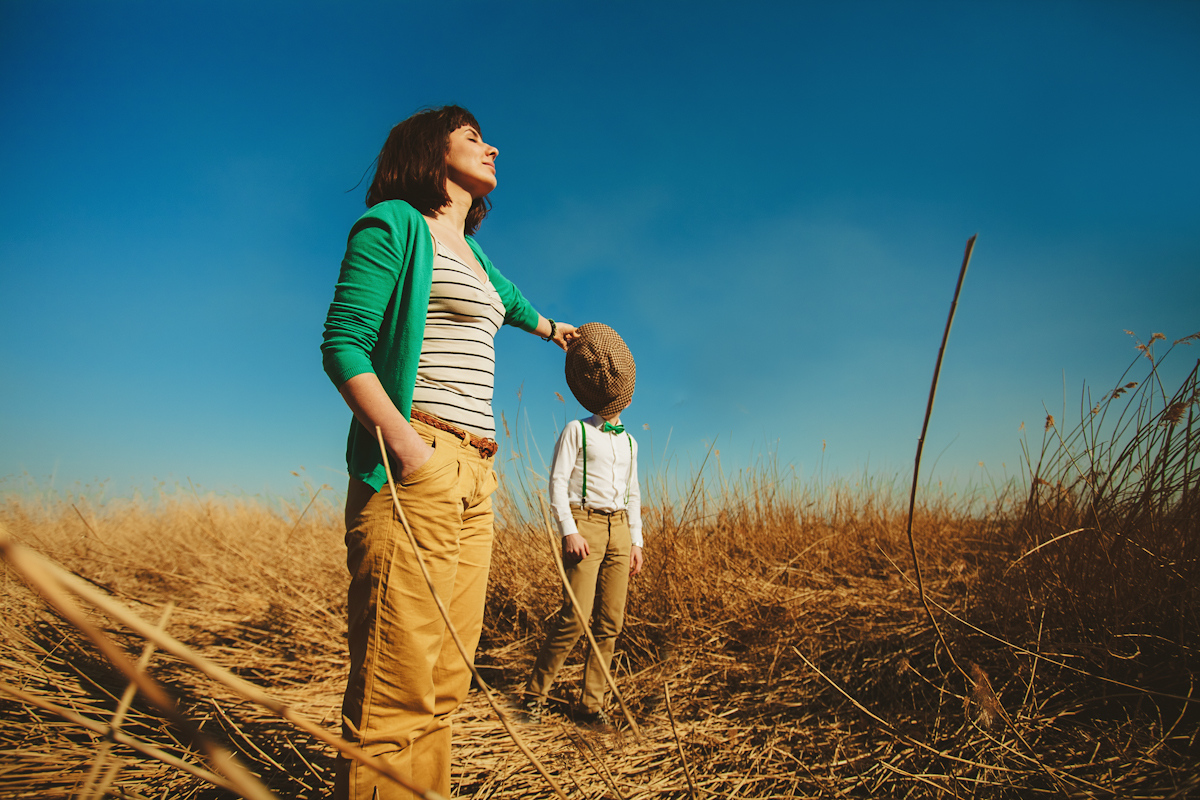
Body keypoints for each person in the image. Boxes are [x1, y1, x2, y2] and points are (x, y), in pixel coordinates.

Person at [321, 105, 575, 800]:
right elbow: (344, 343)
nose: (493, 146)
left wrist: (555, 330)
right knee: (395, 688)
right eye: (472, 138)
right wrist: (406, 446)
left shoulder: (471, 251)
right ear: (431, 153)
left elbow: (508, 299)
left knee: (444, 683)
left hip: (477, 473)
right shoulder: (395, 225)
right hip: (420, 460)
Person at [524, 322, 644, 726]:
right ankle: (534, 694)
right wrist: (568, 529)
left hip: (621, 531)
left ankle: (592, 705)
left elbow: (634, 492)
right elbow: (557, 482)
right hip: (585, 527)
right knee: (573, 618)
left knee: (611, 622)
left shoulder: (630, 442)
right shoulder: (576, 431)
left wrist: (637, 541)